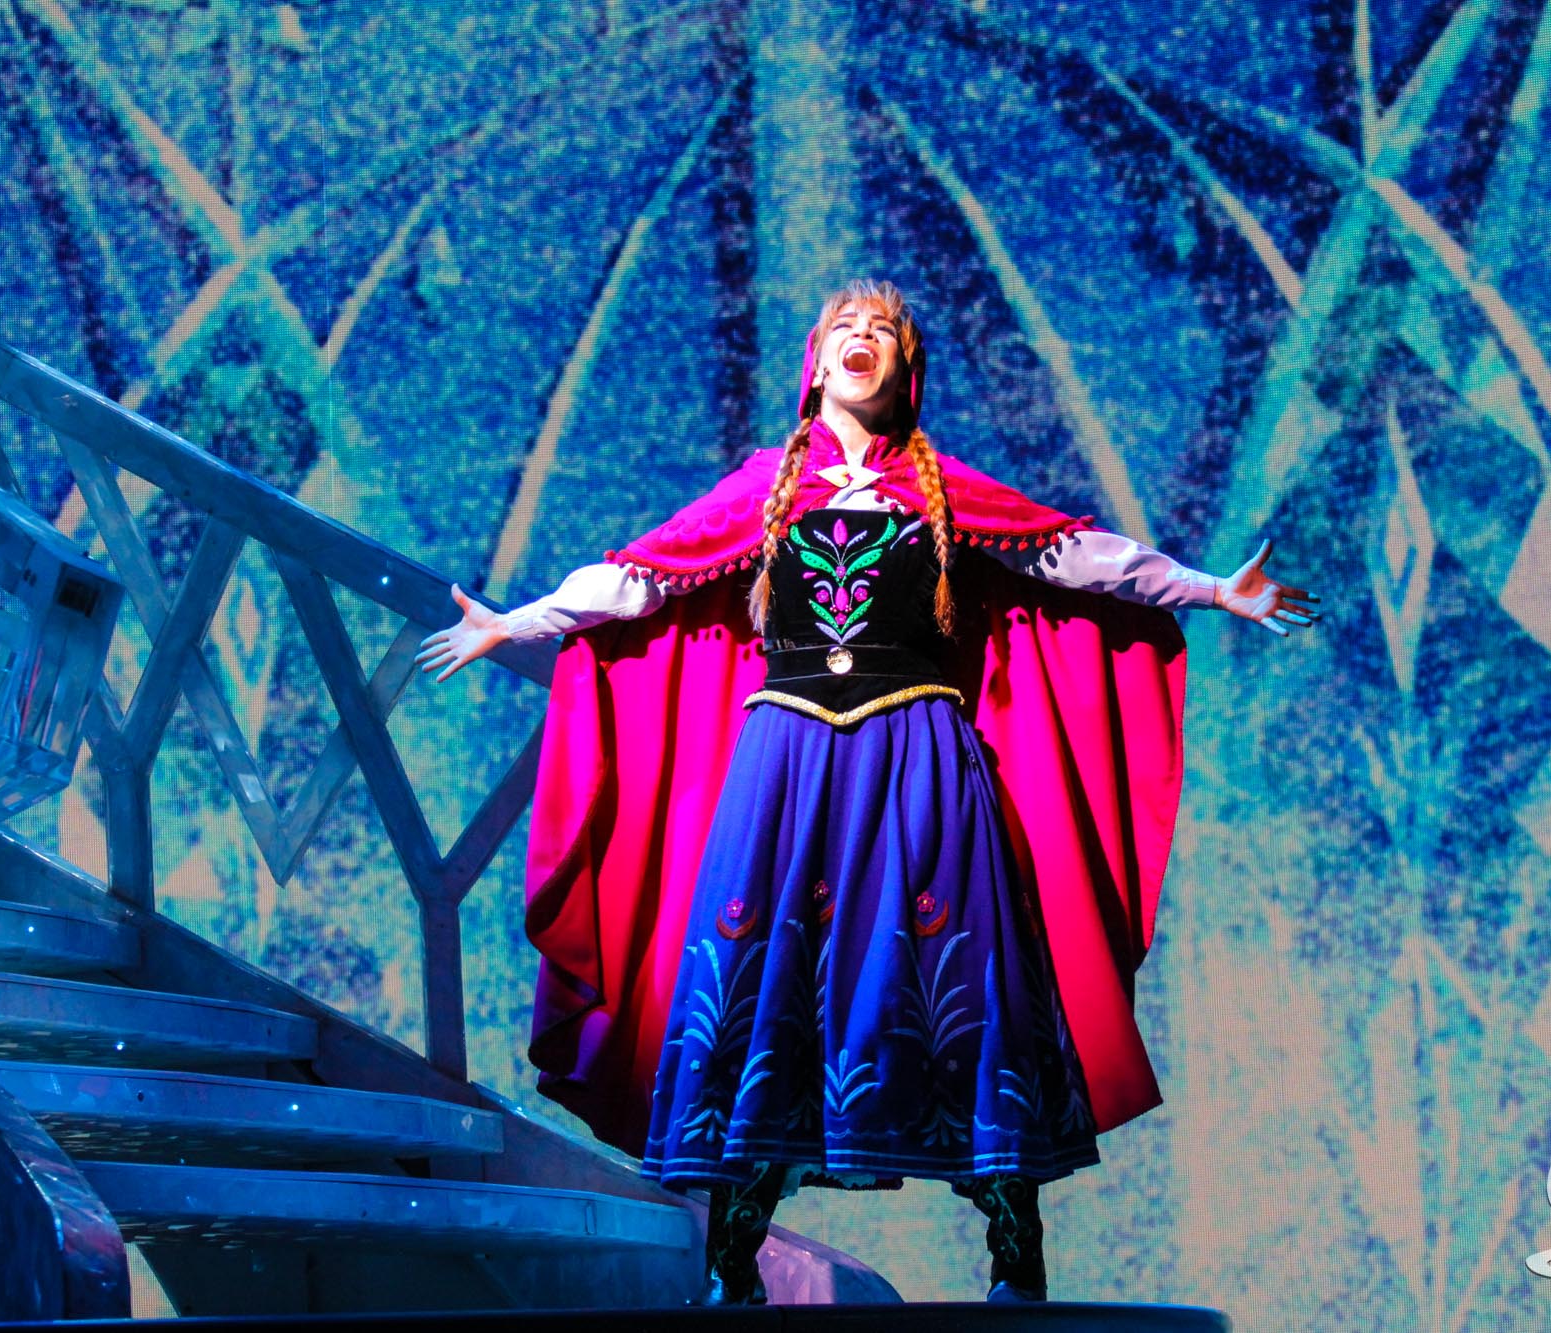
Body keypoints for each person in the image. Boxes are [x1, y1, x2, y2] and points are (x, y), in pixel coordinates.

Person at [419, 280, 1317, 1304]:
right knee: (760, 984)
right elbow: (638, 578)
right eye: (844, 325)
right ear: (815, 362)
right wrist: (513, 622)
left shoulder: (944, 489)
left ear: (905, 367)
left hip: (918, 758)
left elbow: (1079, 558)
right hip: (787, 765)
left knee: (961, 978)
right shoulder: (764, 488)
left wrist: (1213, 589)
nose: (861, 336)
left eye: (881, 328)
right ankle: (732, 1266)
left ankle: (1016, 1260)